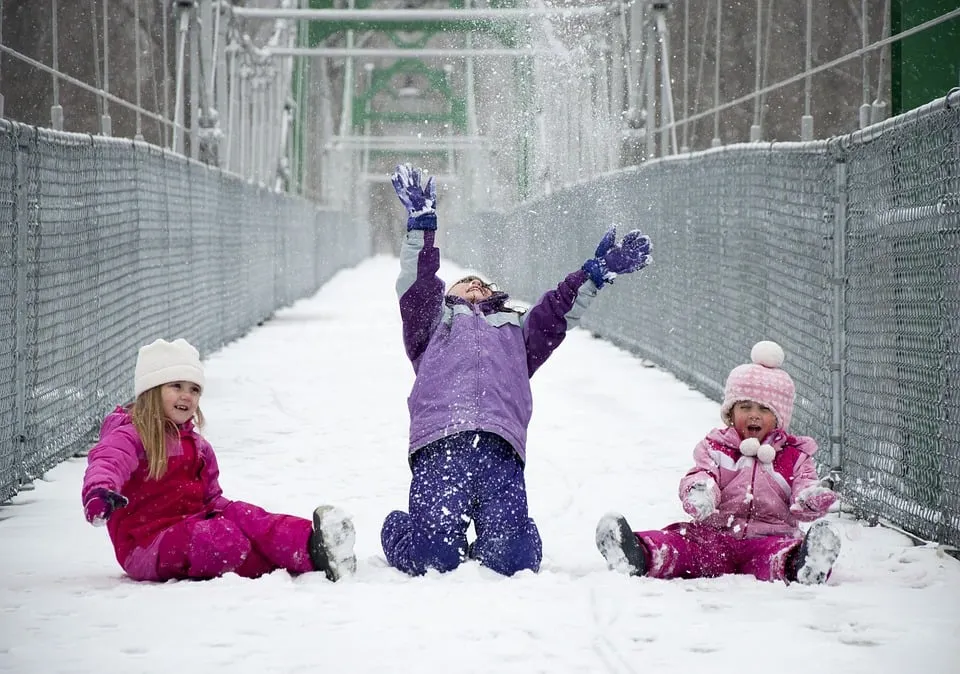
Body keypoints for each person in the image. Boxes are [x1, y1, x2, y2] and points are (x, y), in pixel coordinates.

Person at [381, 163, 652, 577]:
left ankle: (504, 538)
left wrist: (593, 275)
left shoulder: (516, 332)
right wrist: (422, 226)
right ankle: (402, 529)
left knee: (514, 560)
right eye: (464, 284)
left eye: (484, 286)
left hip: (500, 447)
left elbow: (558, 311)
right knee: (431, 557)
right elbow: (417, 282)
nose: (475, 287)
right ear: (446, 296)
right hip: (441, 444)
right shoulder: (430, 326)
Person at [81, 338, 357, 582]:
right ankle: (283, 561)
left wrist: (240, 516)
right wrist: (99, 493)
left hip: (191, 525)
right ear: (152, 391)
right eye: (176, 386)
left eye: (194, 389)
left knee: (248, 518)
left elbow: (211, 499)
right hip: (146, 545)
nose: (187, 396)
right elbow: (108, 461)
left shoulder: (198, 447)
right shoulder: (131, 434)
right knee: (221, 539)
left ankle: (314, 545)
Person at [596, 340, 841, 585]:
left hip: (769, 537)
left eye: (764, 410)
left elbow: (803, 488)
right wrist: (700, 492)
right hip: (715, 536)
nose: (754, 414)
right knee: (683, 544)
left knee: (775, 557)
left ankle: (803, 564)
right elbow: (703, 474)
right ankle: (637, 554)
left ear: (779, 419)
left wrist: (811, 499)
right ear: (731, 413)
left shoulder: (794, 456)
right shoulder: (716, 447)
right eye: (745, 406)